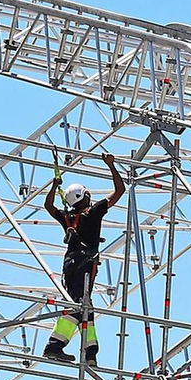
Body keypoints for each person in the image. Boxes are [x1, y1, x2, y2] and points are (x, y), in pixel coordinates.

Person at [42, 152, 126, 365]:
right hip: (84, 263)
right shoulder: (93, 212)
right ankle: (54, 345)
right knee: (80, 305)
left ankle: (91, 351)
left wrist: (54, 185)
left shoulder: (68, 217)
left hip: (70, 264)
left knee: (85, 305)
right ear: (85, 197)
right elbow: (119, 191)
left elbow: (49, 206)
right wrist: (111, 165)